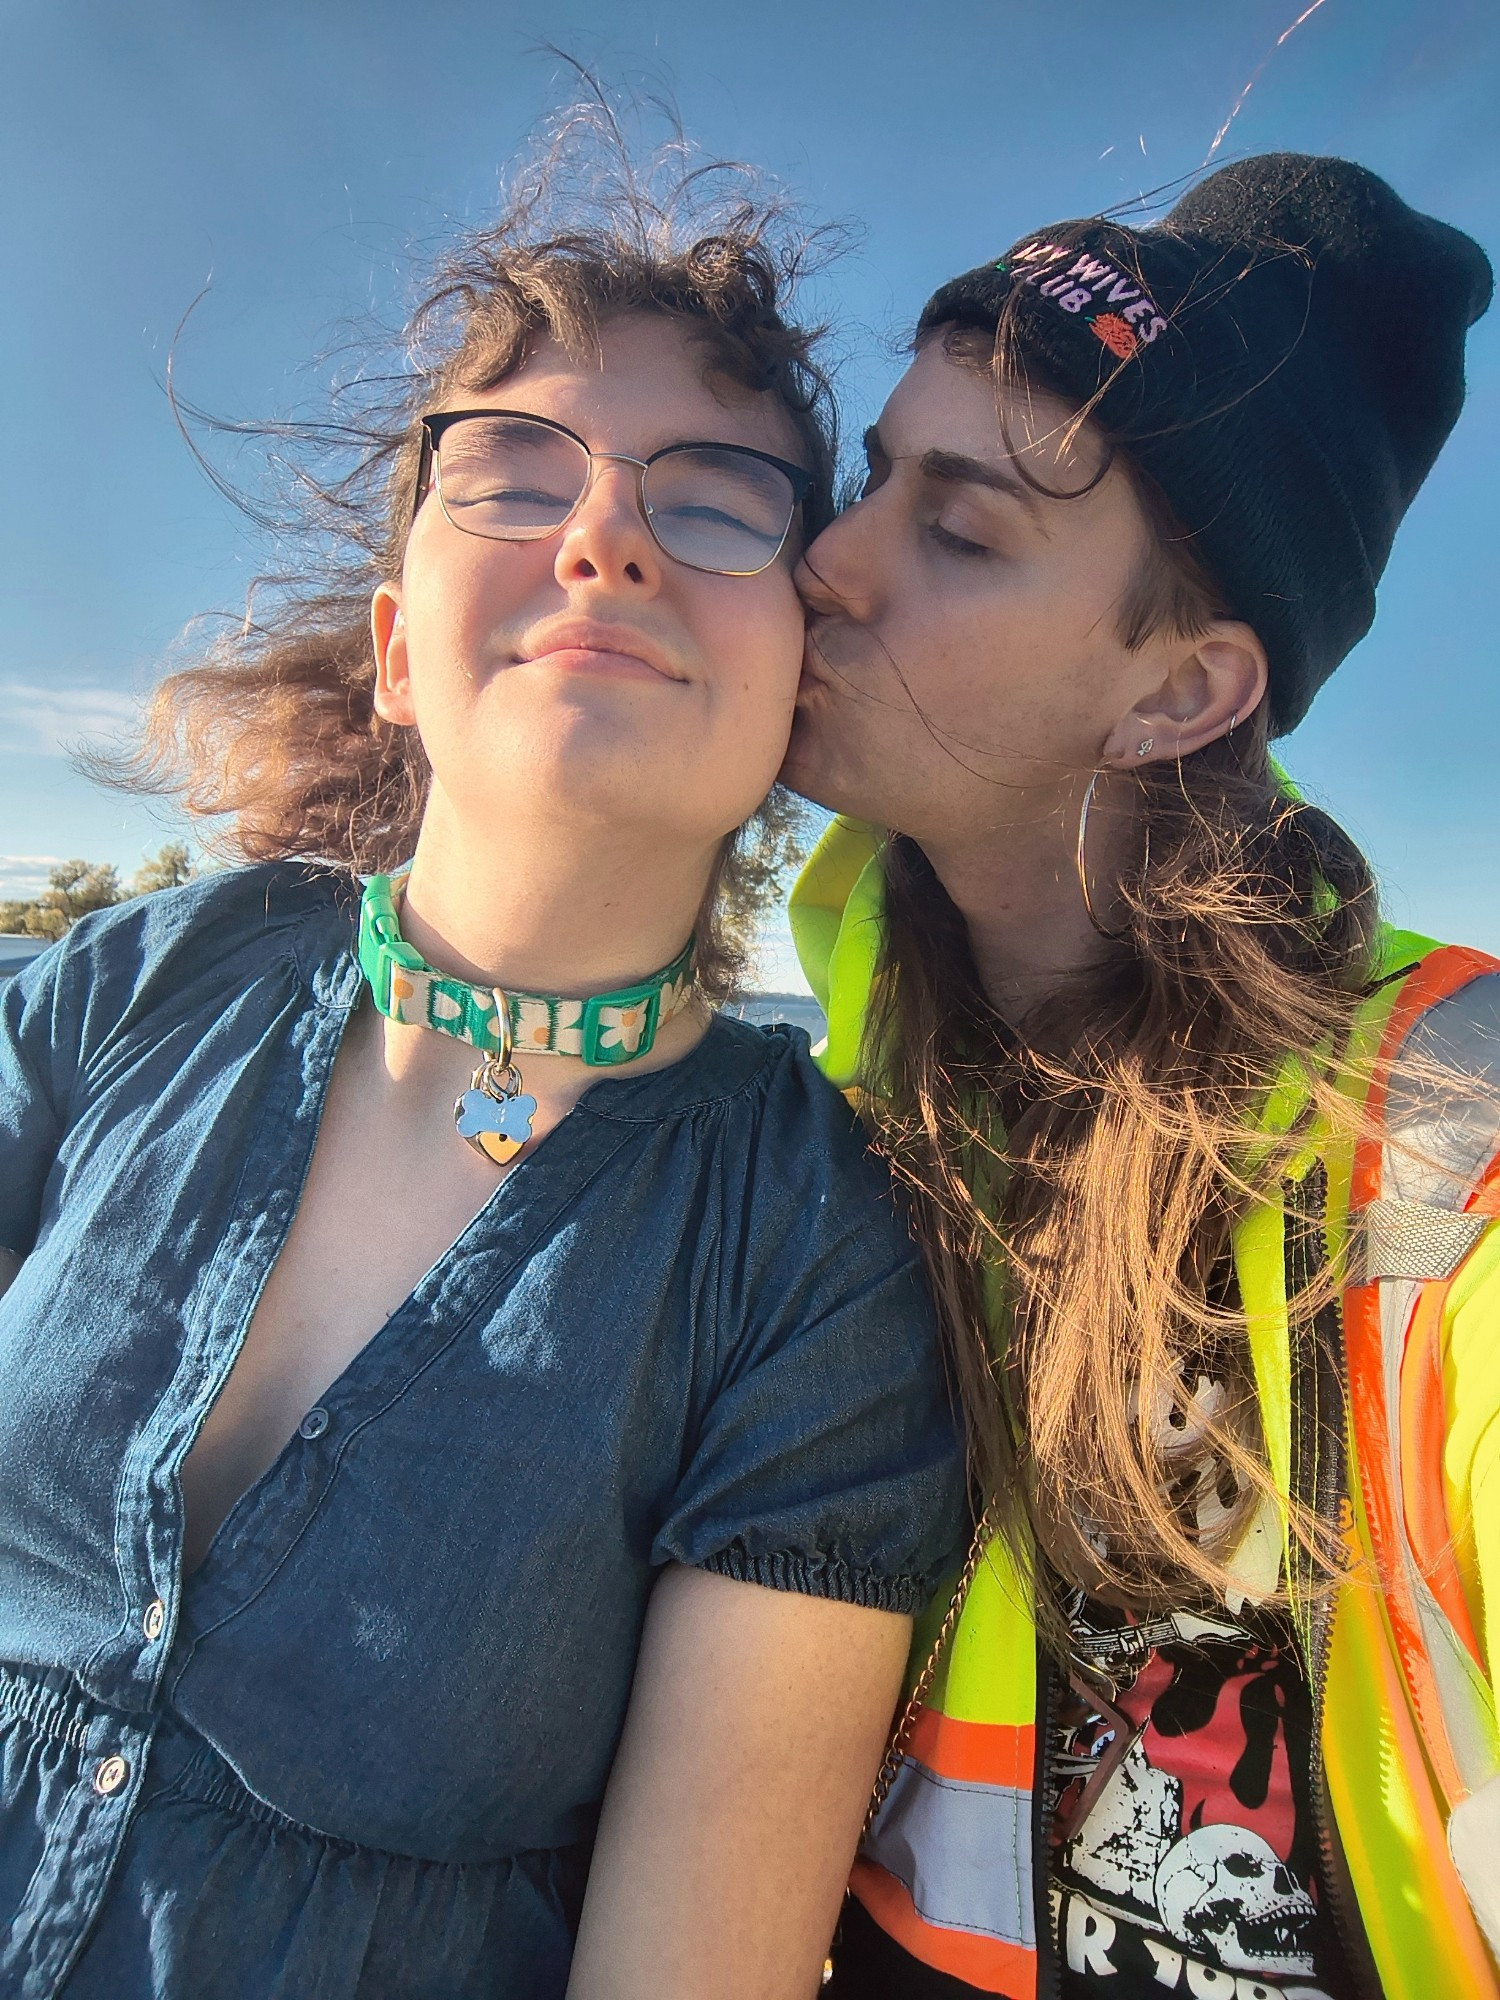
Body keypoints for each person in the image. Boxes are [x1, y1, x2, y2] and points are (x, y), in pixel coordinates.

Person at [0, 168, 966, 2000]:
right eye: (515, 472)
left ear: (793, 709)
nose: (605, 540)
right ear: (391, 653)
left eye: (717, 496)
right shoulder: (140, 983)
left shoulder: (809, 1251)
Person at [781, 154, 1500, 1999]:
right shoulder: (847, 1062)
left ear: (1180, 695)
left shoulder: (1442, 1153)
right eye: (875, 480)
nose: (827, 564)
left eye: (962, 529)